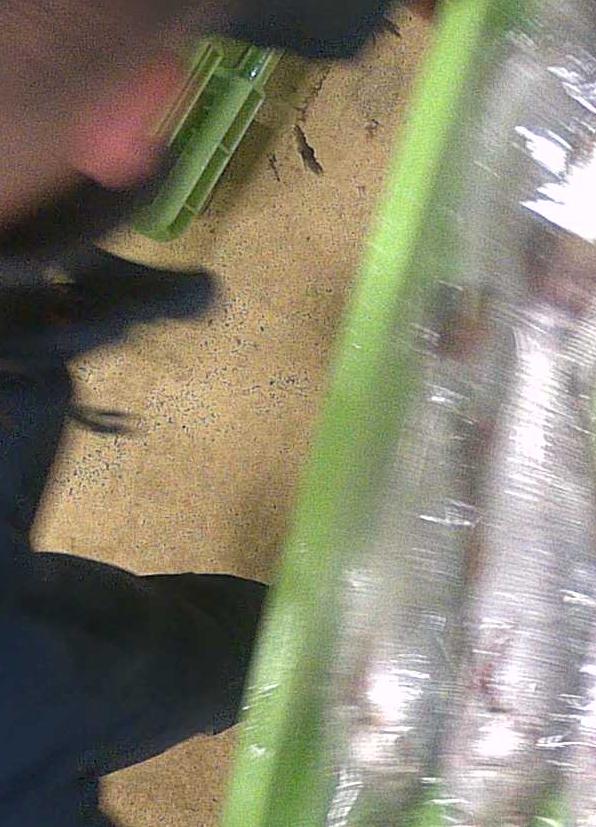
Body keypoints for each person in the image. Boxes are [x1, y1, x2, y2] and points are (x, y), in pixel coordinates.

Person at [0, 1, 398, 823]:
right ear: (127, 119)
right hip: (28, 703)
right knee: (138, 669)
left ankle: (272, 648)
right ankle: (275, 654)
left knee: (158, 656)